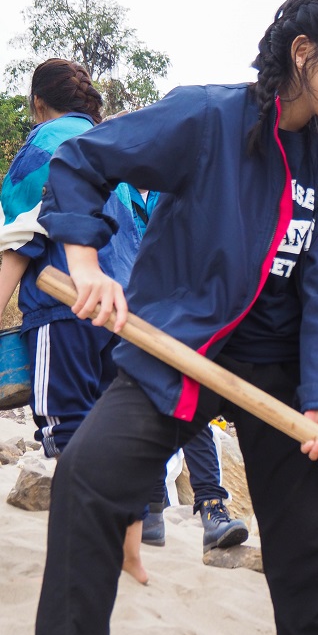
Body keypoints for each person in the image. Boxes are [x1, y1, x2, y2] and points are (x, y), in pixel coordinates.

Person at [25, 0, 318, 635]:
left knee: (306, 547)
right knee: (87, 479)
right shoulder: (210, 119)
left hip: (279, 378)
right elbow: (83, 160)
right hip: (179, 348)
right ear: (304, 52)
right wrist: (86, 264)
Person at [0, 59, 152, 583]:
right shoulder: (117, 151)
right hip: (128, 316)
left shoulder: (44, 147)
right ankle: (131, 553)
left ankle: (84, 552)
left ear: (39, 103)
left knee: (68, 434)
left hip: (65, 309)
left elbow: (20, 240)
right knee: (119, 434)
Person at [117, 181, 249, 553]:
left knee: (191, 407)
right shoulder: (115, 191)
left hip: (181, 315)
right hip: (128, 314)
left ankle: (211, 508)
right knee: (143, 407)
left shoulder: (180, 187)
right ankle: (153, 510)